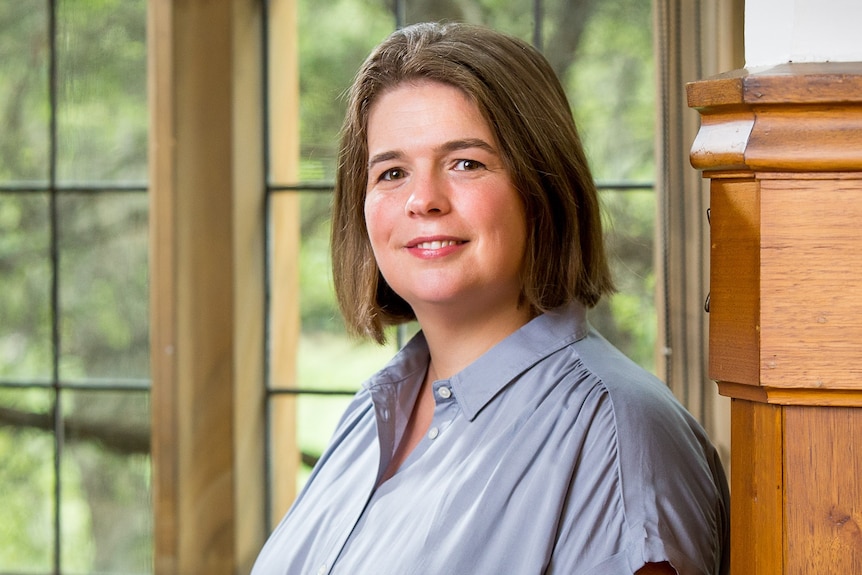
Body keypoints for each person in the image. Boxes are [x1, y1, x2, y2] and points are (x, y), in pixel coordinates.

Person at [252, 22, 729, 575]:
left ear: (543, 187)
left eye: (466, 163)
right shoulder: (374, 410)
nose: (423, 199)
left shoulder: (619, 438)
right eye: (392, 171)